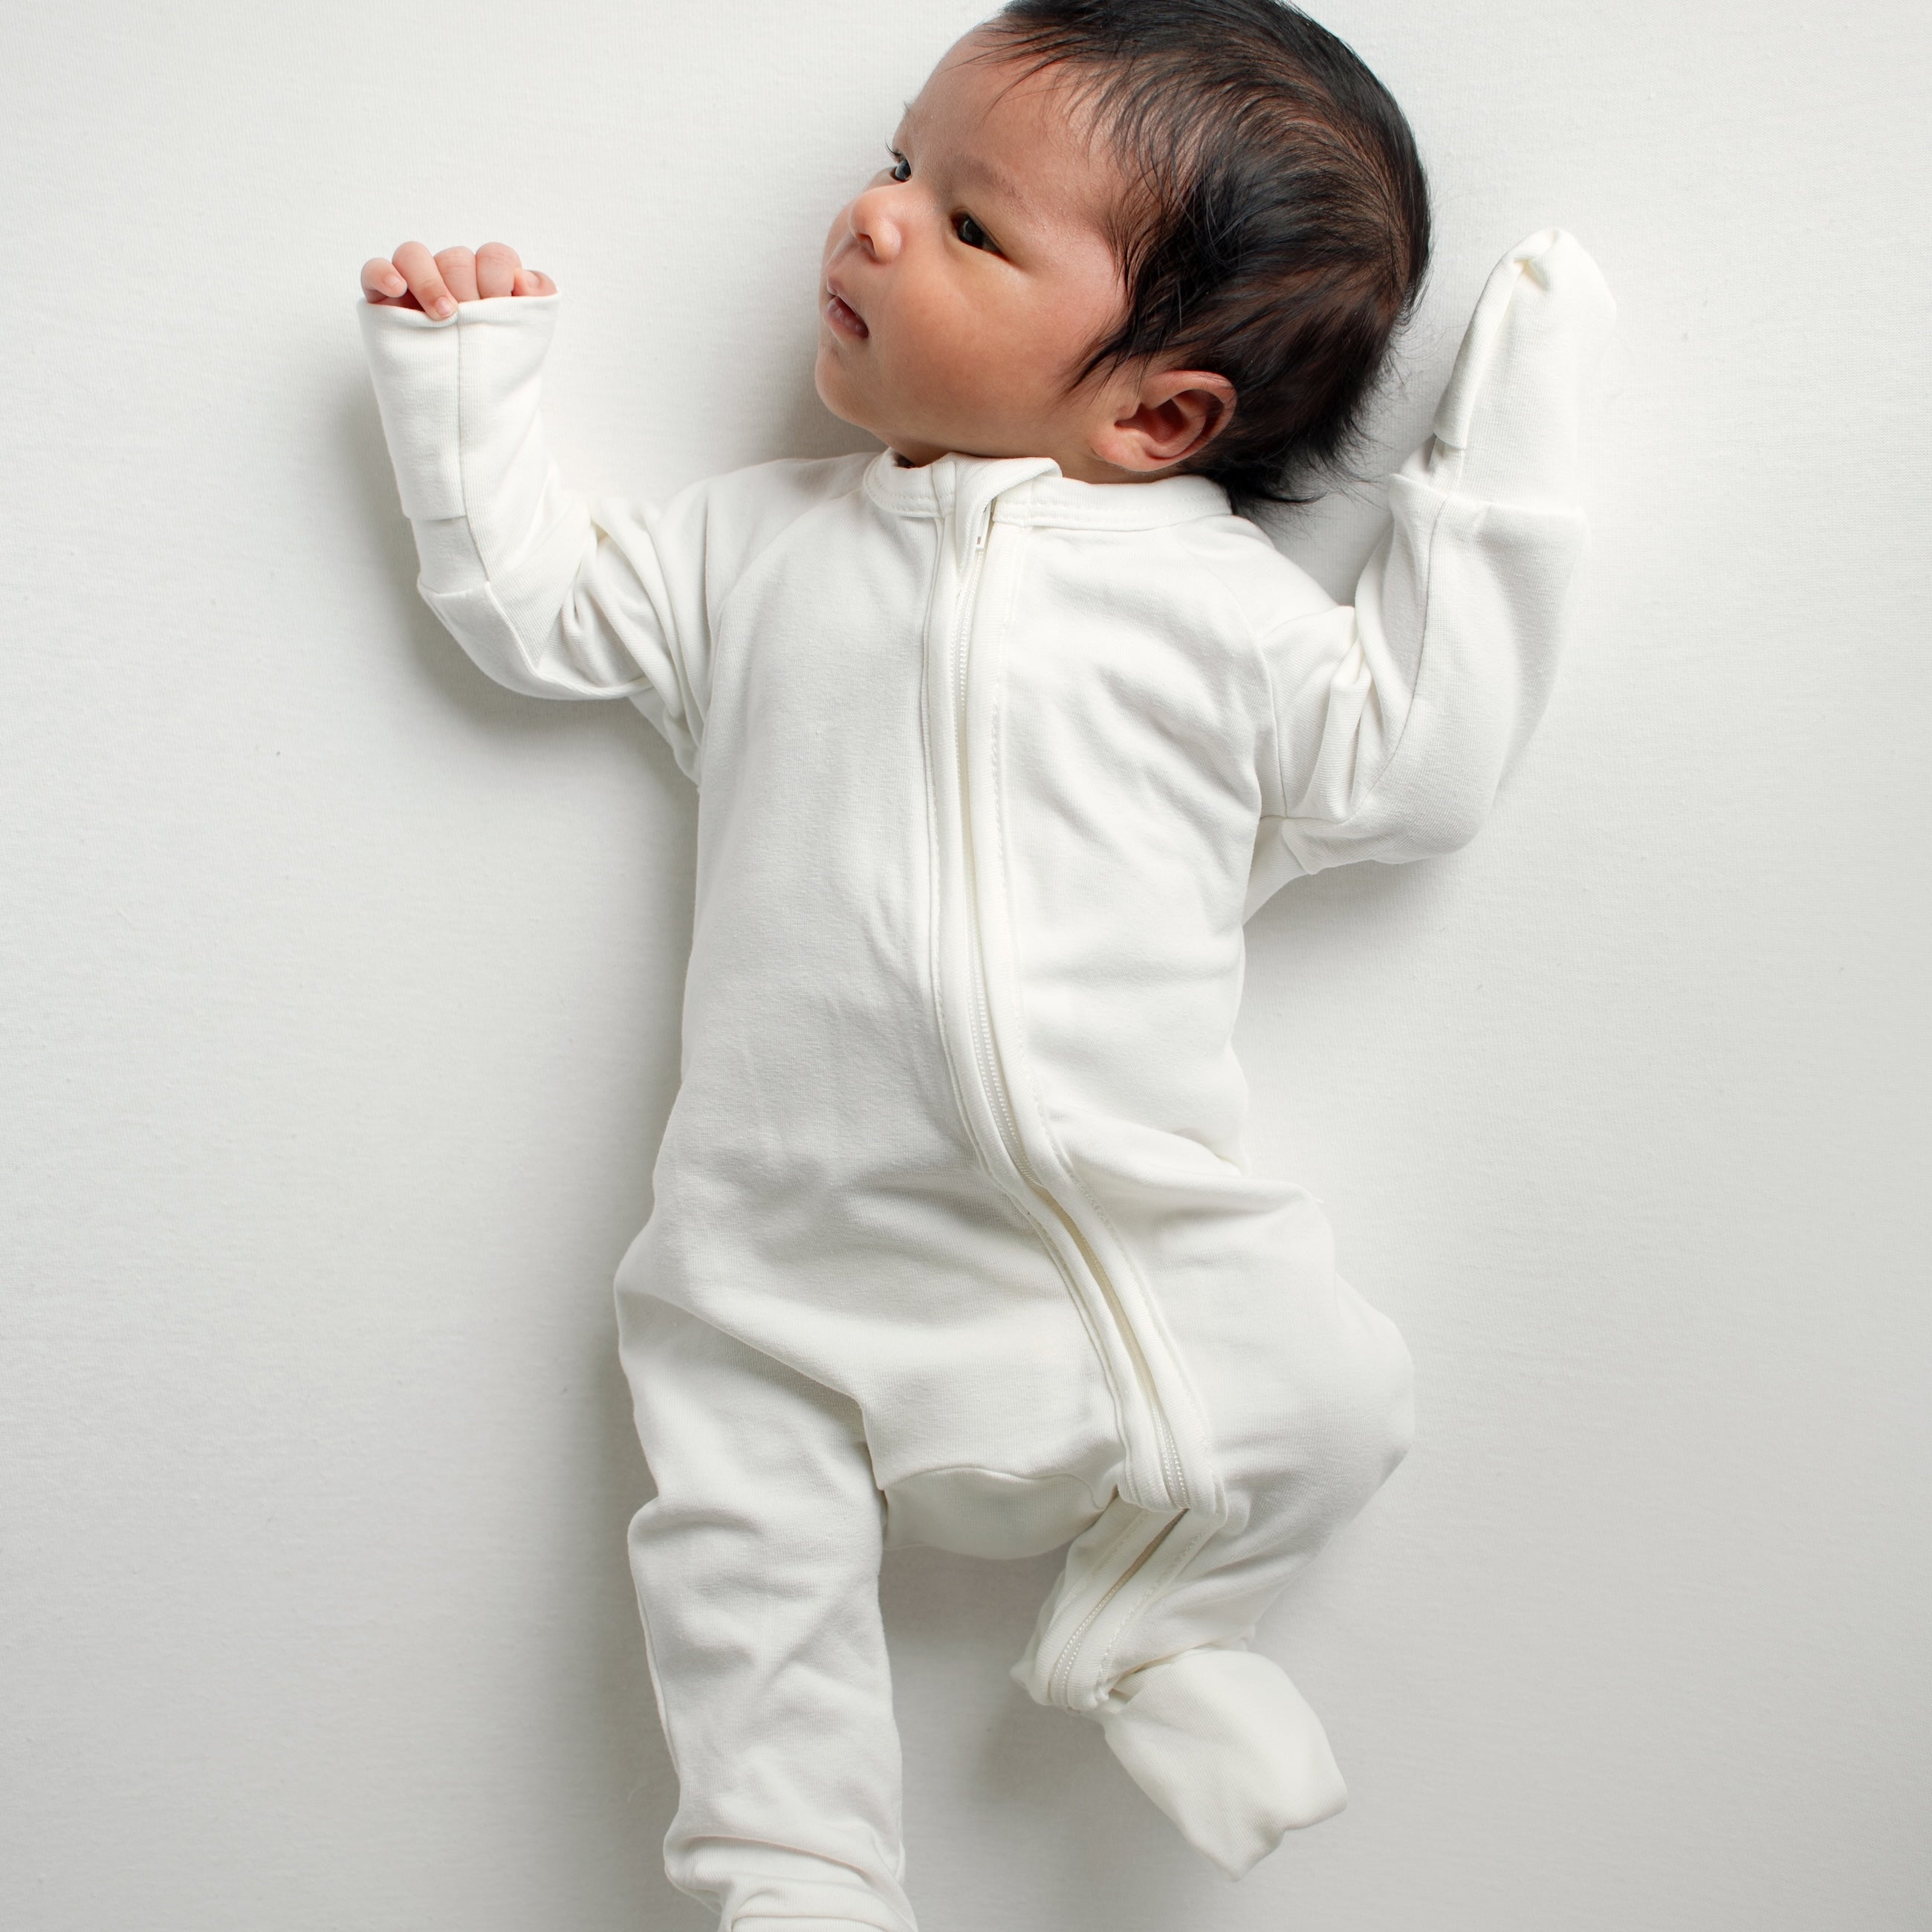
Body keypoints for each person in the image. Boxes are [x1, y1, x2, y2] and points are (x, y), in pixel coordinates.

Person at [355, 3, 1614, 1925]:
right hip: (771, 1241)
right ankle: (796, 1876)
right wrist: (461, 383)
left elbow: (1413, 777)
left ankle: (1152, 1636)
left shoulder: (1221, 615)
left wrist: (1497, 471)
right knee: (734, 1542)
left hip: (1123, 1216)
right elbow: (534, 615)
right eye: (897, 166)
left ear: (1160, 414)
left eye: (970, 228)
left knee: (1329, 1401)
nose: (871, 225)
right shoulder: (748, 551)